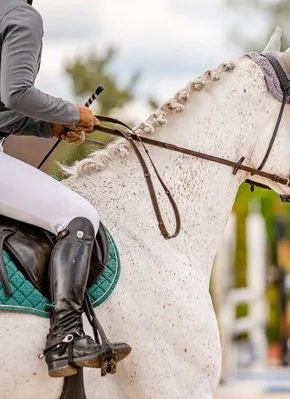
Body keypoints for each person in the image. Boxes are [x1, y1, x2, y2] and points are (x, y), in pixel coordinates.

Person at [0, 0, 131, 378]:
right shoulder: (22, 15)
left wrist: (49, 127)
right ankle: (65, 340)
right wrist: (71, 113)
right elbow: (17, 94)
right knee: (79, 215)